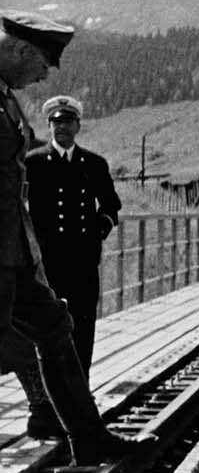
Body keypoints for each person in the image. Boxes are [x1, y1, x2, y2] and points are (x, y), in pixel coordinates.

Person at [0, 11, 150, 464]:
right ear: (21, 51)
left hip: (14, 255)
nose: (44, 75)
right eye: (43, 64)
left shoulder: (6, 97)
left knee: (56, 325)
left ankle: (87, 437)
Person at [25, 95, 121, 376]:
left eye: (67, 122)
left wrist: (100, 228)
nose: (62, 128)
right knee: (49, 331)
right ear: (49, 126)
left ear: (78, 126)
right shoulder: (35, 163)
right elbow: (18, 204)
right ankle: (49, 400)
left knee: (83, 326)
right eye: (56, 123)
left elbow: (111, 204)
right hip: (48, 263)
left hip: (83, 262)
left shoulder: (93, 163)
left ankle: (83, 391)